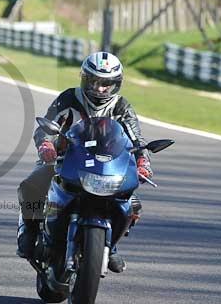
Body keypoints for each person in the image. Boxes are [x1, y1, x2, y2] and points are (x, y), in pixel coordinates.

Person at [16, 52, 153, 273]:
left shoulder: (122, 107)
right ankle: (29, 231)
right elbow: (46, 126)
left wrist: (143, 161)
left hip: (106, 166)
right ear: (84, 79)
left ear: (116, 84)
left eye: (106, 84)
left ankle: (112, 246)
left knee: (133, 203)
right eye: (95, 82)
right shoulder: (69, 98)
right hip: (64, 159)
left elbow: (137, 139)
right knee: (31, 185)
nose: (100, 89)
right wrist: (47, 145)